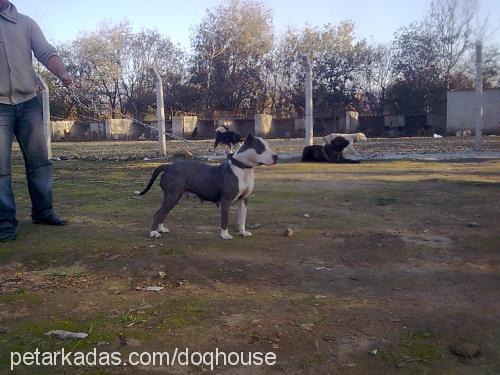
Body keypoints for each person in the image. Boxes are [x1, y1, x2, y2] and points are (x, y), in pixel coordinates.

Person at [0, 1, 73, 242]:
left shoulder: (26, 23)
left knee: (40, 162)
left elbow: (46, 52)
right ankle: (5, 223)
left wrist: (62, 73)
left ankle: (43, 212)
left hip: (29, 102)